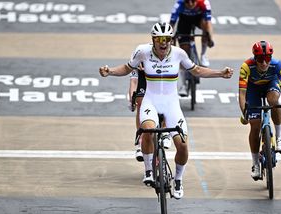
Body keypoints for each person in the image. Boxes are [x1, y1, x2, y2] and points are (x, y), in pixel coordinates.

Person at [99, 22, 233, 199]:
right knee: (147, 130)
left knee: (183, 146)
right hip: (151, 101)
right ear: (153, 40)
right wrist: (109, 72)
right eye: (160, 39)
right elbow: (127, 68)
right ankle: (148, 171)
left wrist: (220, 73)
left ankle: (178, 179)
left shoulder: (179, 54)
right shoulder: (142, 52)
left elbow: (197, 70)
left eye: (168, 39)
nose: (164, 43)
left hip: (171, 104)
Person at [238, 41, 281, 180]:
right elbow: (242, 94)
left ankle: (279, 136)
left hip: (270, 85)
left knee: (274, 101)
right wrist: (244, 113)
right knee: (255, 125)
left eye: (267, 59)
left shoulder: (278, 65)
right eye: (260, 59)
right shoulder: (246, 66)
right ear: (255, 58)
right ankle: (255, 164)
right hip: (253, 89)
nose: (263, 63)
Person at [169, 0, 215, 96]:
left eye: (193, 1)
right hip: (184, 22)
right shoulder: (179, 4)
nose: (190, 4)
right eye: (187, 1)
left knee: (206, 28)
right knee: (183, 53)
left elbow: (208, 22)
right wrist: (169, 38)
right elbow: (171, 24)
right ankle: (184, 85)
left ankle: (203, 55)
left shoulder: (204, 3)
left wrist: (210, 38)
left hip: (198, 20)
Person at [128, 64, 172, 163]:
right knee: (140, 102)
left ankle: (165, 131)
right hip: (144, 82)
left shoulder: (162, 56)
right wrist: (131, 99)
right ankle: (141, 140)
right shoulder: (138, 58)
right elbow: (134, 82)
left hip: (161, 80)